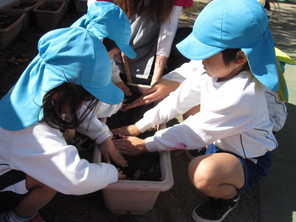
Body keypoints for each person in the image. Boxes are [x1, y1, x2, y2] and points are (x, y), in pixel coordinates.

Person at [112, 0, 282, 221]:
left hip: (246, 158)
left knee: (201, 173)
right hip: (221, 139)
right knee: (187, 110)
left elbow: (193, 131)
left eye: (207, 54)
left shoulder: (242, 94)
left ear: (240, 57)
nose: (200, 60)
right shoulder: (217, 72)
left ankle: (228, 196)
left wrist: (146, 145)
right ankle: (211, 154)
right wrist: (139, 125)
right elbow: (179, 100)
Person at [0, 26, 128, 222]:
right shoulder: (34, 134)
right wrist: (111, 173)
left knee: (66, 135)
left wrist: (102, 136)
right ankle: (16, 218)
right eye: (86, 99)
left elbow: (77, 109)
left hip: (8, 160)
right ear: (61, 95)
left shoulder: (35, 89)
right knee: (50, 180)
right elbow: (75, 178)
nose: (85, 104)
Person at [87, 0, 193, 85]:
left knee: (186, 38)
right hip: (113, 34)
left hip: (150, 39)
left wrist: (156, 77)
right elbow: (98, 17)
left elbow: (168, 29)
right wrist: (120, 42)